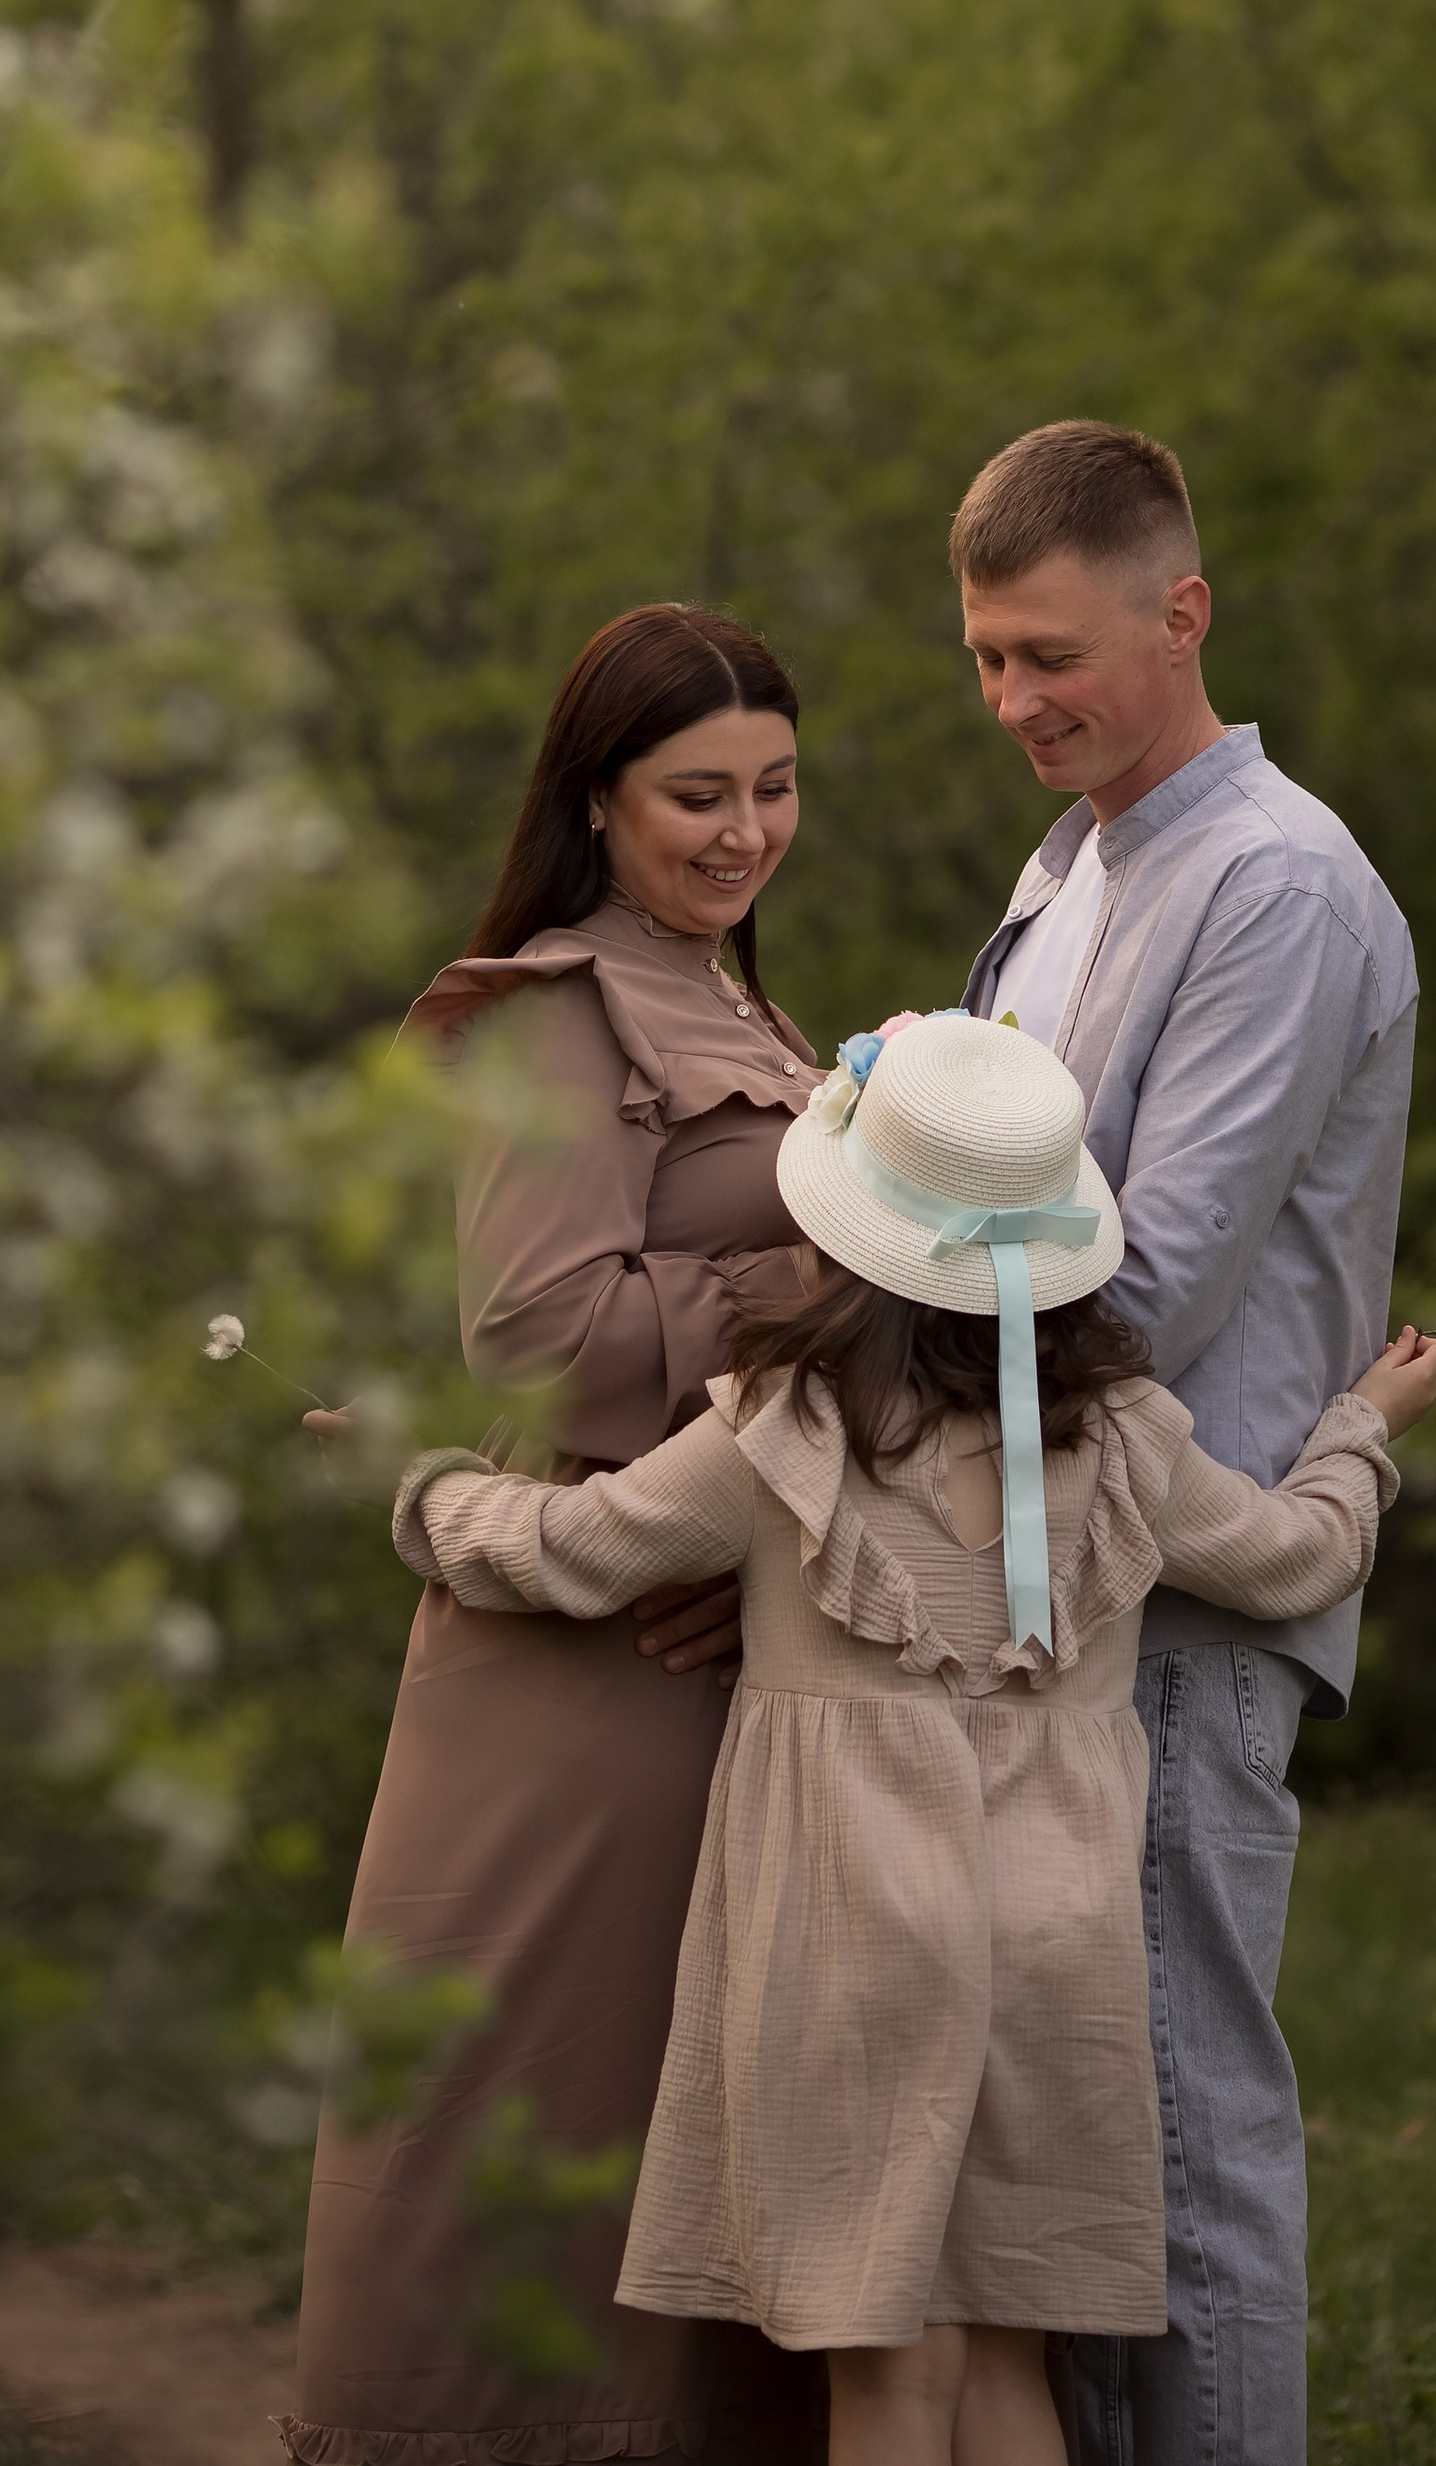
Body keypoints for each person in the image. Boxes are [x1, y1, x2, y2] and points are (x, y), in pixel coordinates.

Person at [392, 1013, 1436, 2466]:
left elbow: (563, 1548)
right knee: (1005, 2359)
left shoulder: (784, 1436)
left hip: (849, 1941)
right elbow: (1294, 1560)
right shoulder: (1127, 1436)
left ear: (846, 1239)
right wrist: (1362, 1429)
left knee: (889, 2377)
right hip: (1059, 1943)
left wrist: (418, 1485)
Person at [281, 603, 830, 2466]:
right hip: (574, 1686)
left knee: (686, 2155)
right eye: (697, 795)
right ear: (598, 800)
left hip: (696, 1645)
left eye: (772, 787)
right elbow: (547, 1345)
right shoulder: (551, 1008)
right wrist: (831, 1277)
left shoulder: (748, 1000)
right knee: (534, 2131)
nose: (743, 832)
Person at [950, 420, 1420, 2466]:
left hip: (1192, 1599)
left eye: (1047, 652)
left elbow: (1143, 1286)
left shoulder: (1275, 885)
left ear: (1181, 610)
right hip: (1058, 1594)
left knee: (1177, 2126)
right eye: (979, 658)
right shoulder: (1068, 870)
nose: (1011, 701)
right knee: (1073, 2147)